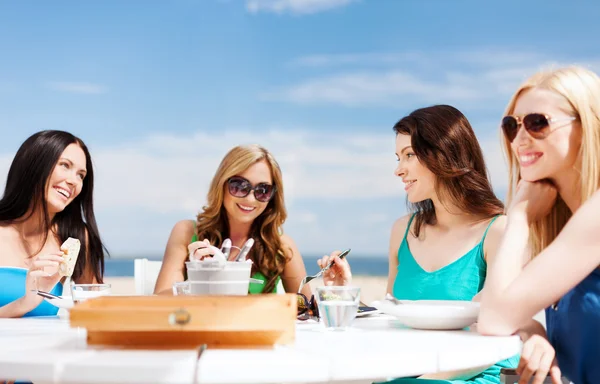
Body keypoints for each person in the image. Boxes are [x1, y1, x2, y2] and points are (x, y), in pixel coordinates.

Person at [318, 105, 518, 383]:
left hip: (472, 374)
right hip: (410, 373)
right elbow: (392, 317)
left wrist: (420, 377)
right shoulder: (403, 231)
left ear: (445, 153)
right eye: (398, 157)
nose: (399, 170)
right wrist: (344, 293)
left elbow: (495, 341)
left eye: (409, 155)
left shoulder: (497, 231)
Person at [479, 66, 600, 384]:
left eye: (537, 123)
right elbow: (493, 305)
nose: (519, 140)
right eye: (511, 126)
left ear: (587, 127)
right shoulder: (560, 225)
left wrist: (518, 215)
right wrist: (532, 330)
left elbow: (492, 318)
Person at [154, 144, 311, 296]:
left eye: (263, 190)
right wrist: (199, 281)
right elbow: (159, 300)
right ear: (221, 185)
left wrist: (335, 284)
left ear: (272, 196)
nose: (250, 199)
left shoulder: (281, 246)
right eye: (239, 186)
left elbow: (309, 308)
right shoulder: (187, 232)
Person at [0, 130, 107, 318]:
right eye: (65, 165)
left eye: (81, 175)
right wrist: (24, 304)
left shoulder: (76, 236)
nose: (74, 181)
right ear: (34, 164)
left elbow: (96, 309)